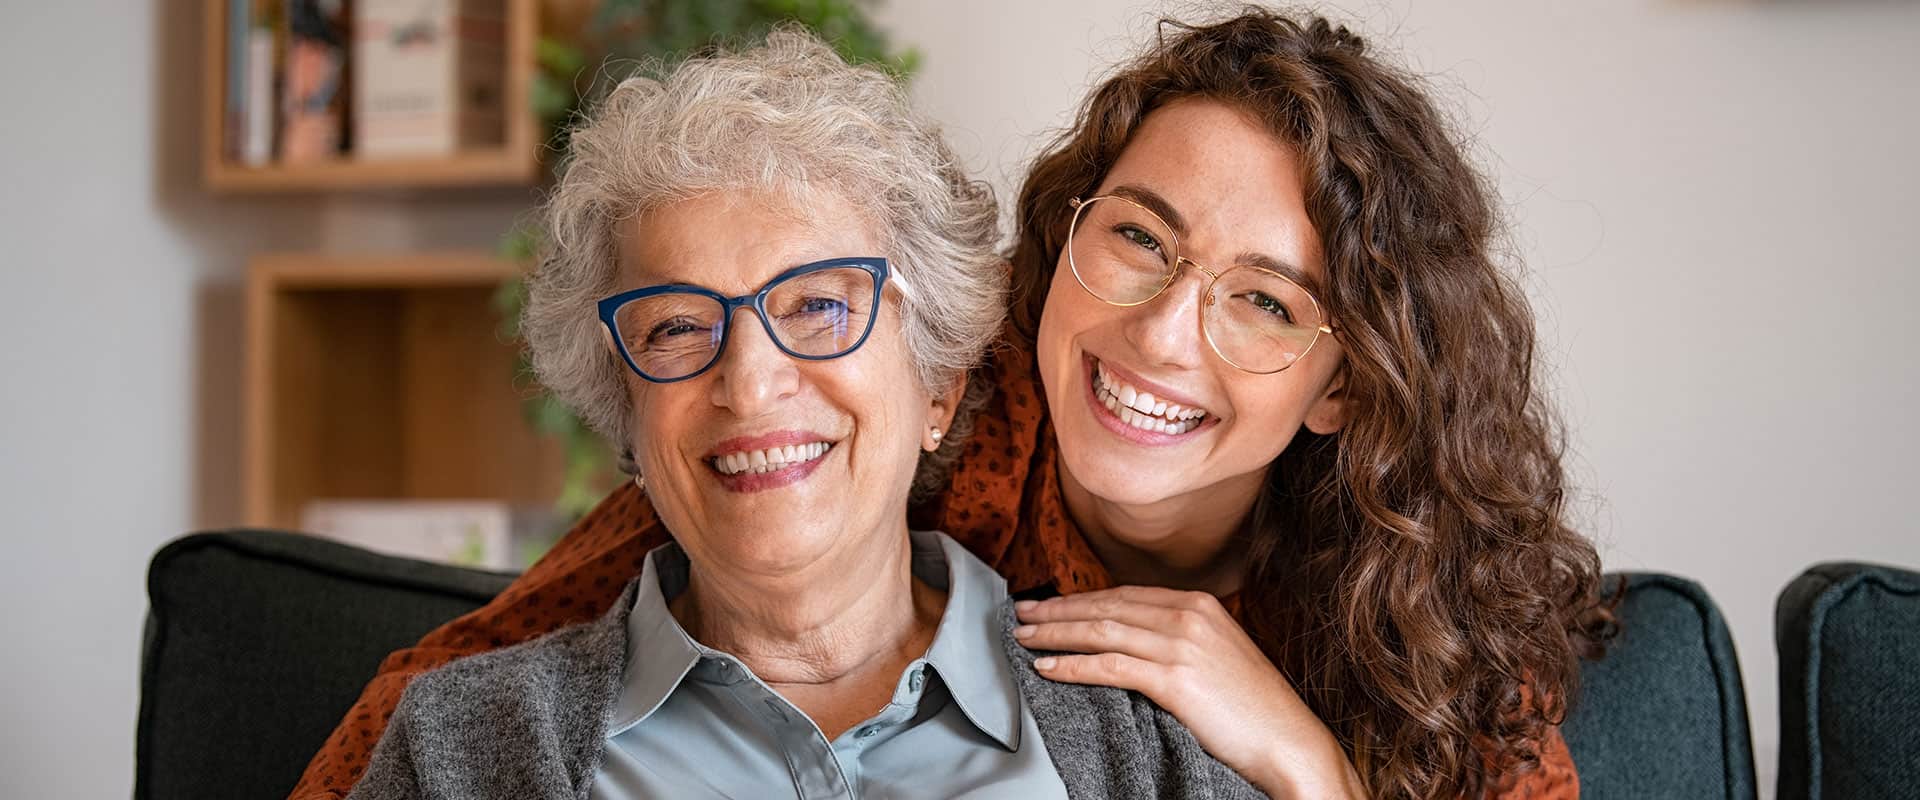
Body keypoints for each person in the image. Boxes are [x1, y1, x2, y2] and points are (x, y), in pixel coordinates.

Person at [295, 10, 1607, 799]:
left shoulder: (1432, 619)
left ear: (1346, 381)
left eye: (1265, 301)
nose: (1159, 334)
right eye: (1141, 240)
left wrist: (1306, 768)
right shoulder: (924, 409)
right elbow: (501, 672)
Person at [339, 29, 1262, 800]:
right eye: (677, 326)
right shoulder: (462, 746)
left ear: (938, 387)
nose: (748, 383)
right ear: (626, 410)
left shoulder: (1148, 738)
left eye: (819, 306)